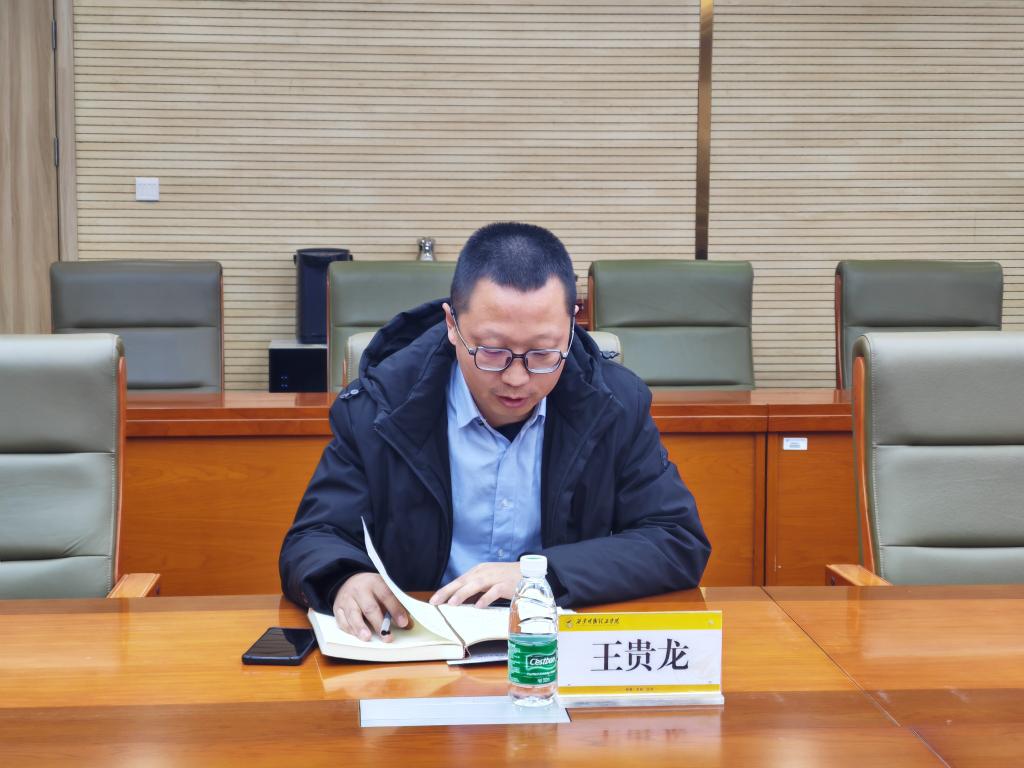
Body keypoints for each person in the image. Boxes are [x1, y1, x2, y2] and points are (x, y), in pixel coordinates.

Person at [279, 222, 710, 642]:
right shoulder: (379, 407)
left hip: (552, 643)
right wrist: (345, 578)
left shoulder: (615, 405)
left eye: (543, 353)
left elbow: (675, 540)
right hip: (420, 646)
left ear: (572, 325)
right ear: (452, 325)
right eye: (492, 351)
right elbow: (315, 537)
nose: (517, 378)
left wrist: (539, 575)